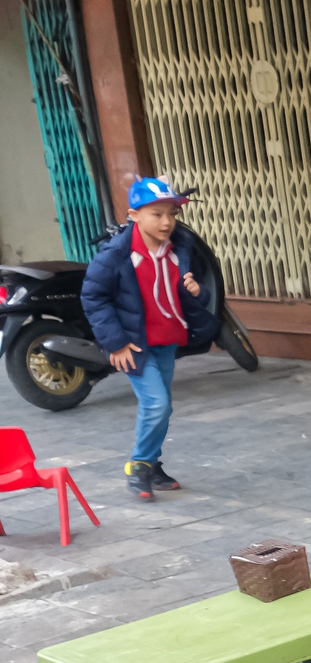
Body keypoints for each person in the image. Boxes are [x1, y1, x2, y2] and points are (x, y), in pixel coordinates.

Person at [80, 177, 219, 500]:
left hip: (167, 338)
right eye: (156, 214)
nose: (166, 222)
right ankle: (139, 464)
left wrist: (198, 292)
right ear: (134, 215)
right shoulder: (116, 254)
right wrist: (114, 342)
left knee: (161, 407)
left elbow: (186, 291)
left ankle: (153, 465)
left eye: (171, 213)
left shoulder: (179, 248)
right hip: (133, 344)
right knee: (157, 403)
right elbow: (93, 296)